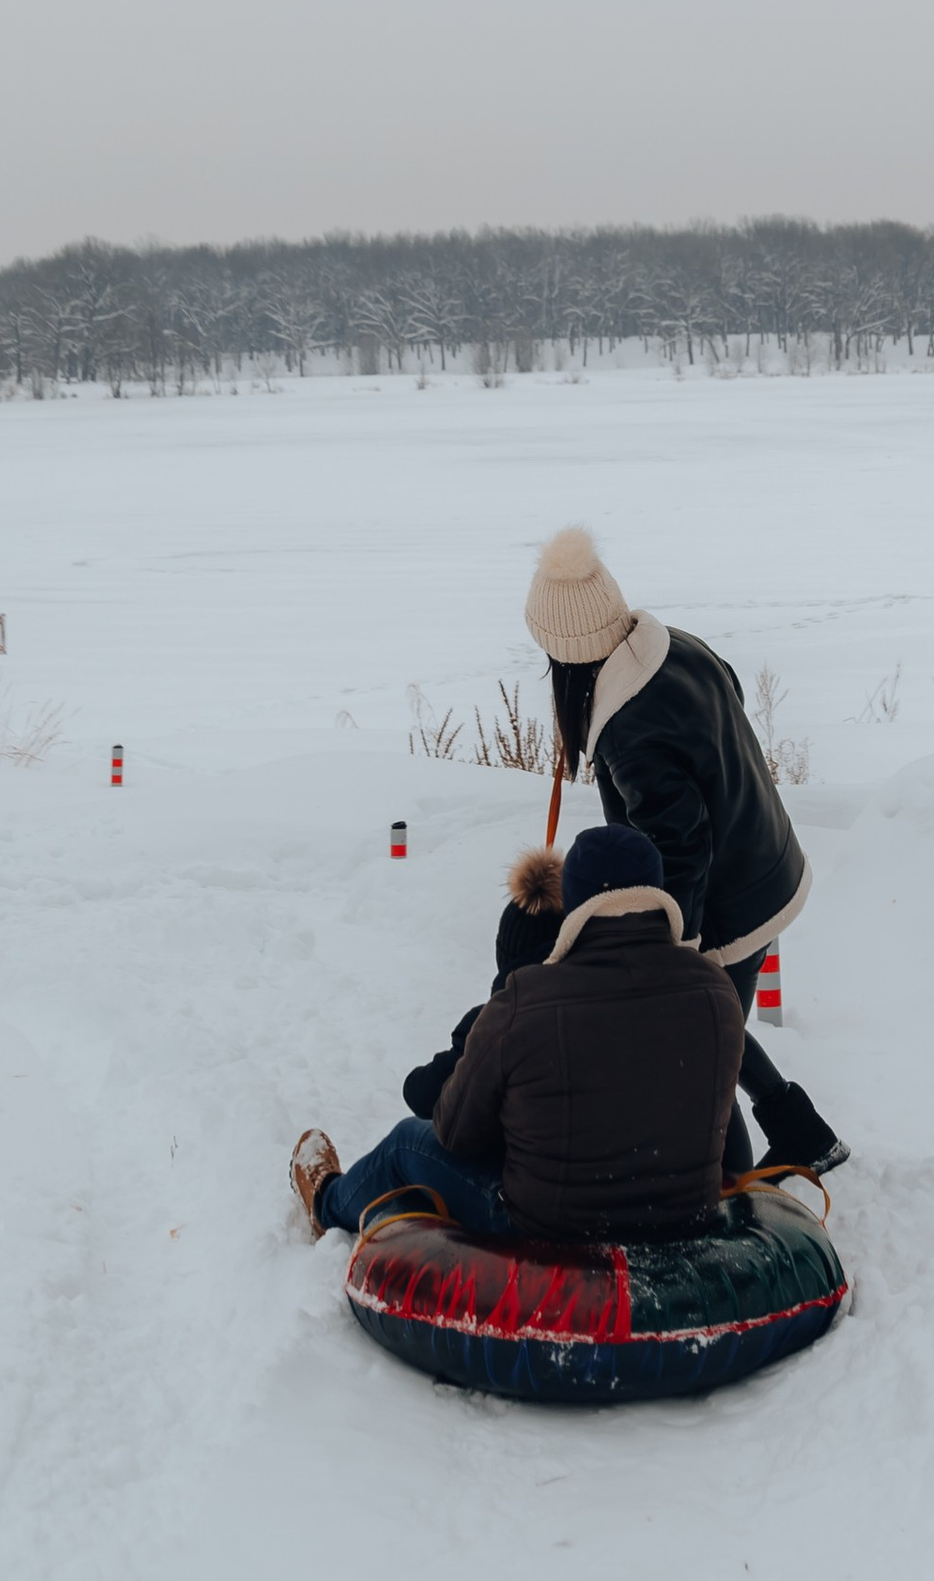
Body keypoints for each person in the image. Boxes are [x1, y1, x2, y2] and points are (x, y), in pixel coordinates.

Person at [523, 526, 849, 1179]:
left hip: (730, 897)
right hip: (764, 856)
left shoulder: (629, 729)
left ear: (565, 652)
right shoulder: (675, 648)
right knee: (718, 1025)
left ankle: (728, 1195)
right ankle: (802, 1134)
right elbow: (725, 707)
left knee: (700, 1050)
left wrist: (678, 945)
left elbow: (681, 843)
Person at [292, 822, 745, 1242]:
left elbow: (454, 1131)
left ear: (576, 901)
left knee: (406, 1142)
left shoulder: (526, 998)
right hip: (686, 1217)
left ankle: (328, 1203)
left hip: (550, 1226)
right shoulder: (716, 989)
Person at [397, 844, 565, 1119]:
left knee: (403, 1140)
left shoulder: (499, 1020)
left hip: (521, 1158)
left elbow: (420, 1093)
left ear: (507, 954)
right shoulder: (596, 1000)